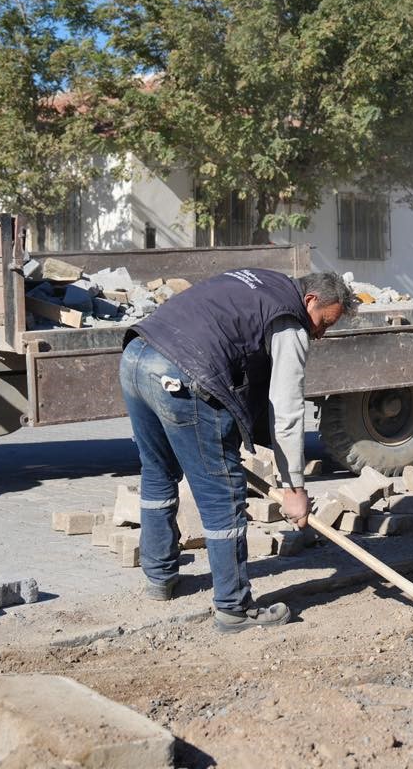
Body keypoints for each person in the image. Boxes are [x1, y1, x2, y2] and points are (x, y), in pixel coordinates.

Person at [119, 268, 357, 632]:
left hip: (137, 355)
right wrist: (294, 489)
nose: (320, 335)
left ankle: (160, 579)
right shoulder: (291, 321)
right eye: (323, 323)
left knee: (158, 470)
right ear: (310, 301)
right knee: (223, 495)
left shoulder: (265, 283)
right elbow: (287, 408)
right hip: (181, 375)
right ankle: (233, 609)